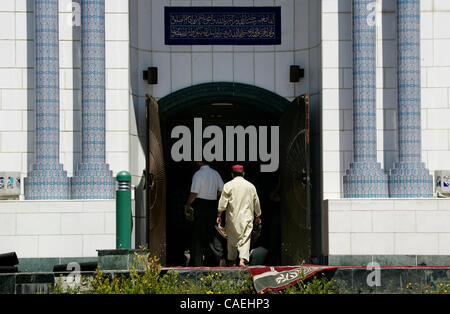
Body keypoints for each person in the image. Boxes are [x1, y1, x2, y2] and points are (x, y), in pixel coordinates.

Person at [217, 165, 262, 267]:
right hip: (247, 217)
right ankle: (242, 260)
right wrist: (258, 215)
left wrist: (219, 214)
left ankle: (232, 260)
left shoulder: (228, 185)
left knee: (231, 239)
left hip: (233, 218)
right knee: (245, 238)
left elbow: (223, 203)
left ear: (232, 174)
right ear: (243, 174)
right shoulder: (250, 186)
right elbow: (256, 203)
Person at [184, 160, 224, 266]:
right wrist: (213, 196)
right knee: (212, 232)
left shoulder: (198, 174)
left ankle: (197, 262)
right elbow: (222, 189)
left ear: (199, 161)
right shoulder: (215, 173)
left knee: (198, 234)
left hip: (200, 204)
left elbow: (194, 193)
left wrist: (187, 204)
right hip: (212, 205)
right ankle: (216, 259)